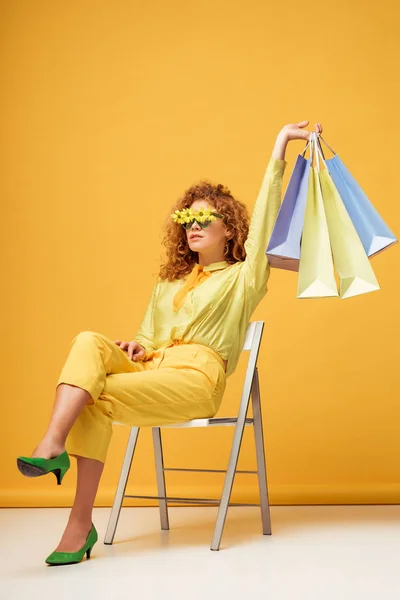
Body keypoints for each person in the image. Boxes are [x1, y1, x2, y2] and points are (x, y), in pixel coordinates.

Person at [17, 120, 323, 565]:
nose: (193, 227)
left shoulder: (244, 278)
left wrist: (280, 146)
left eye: (205, 219)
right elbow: (147, 336)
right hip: (153, 369)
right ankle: (55, 451)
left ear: (230, 230)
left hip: (196, 379)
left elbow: (267, 223)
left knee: (93, 398)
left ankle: (74, 518)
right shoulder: (169, 283)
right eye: (187, 220)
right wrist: (137, 348)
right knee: (88, 341)